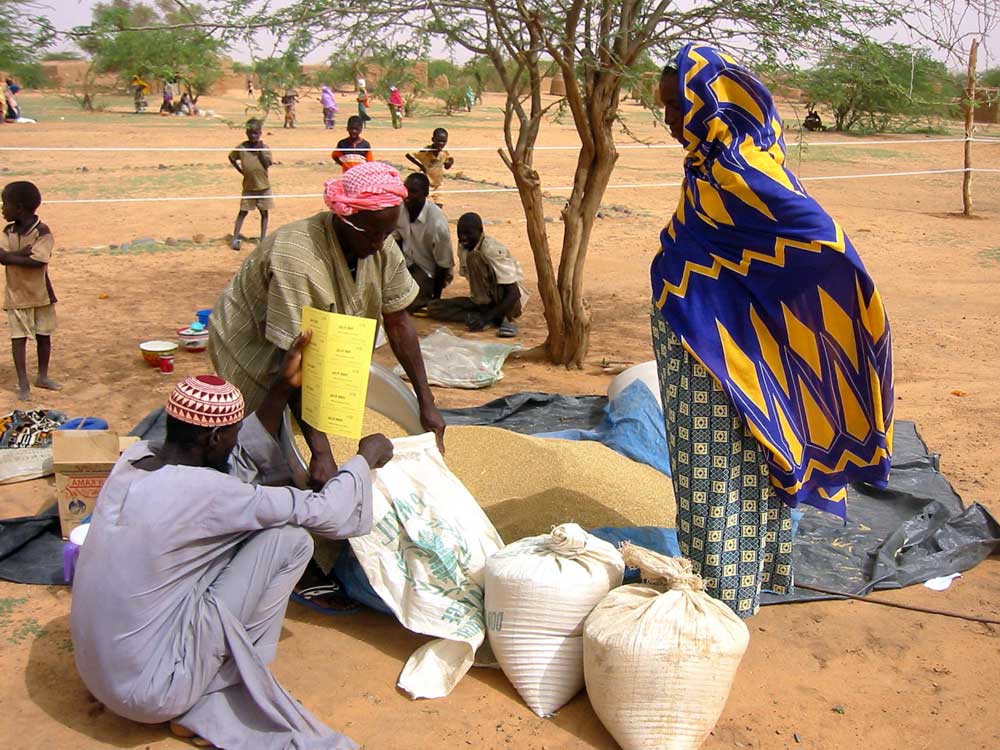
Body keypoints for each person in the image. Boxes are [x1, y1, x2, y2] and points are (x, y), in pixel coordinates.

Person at [652, 45, 893, 618]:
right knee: (741, 456)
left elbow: (816, 235)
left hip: (712, 345)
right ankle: (736, 583)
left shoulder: (739, 170)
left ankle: (719, 599)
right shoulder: (713, 162)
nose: (664, 118)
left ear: (708, 104)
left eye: (672, 106)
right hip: (708, 336)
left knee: (711, 468)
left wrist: (843, 308)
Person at [70, 335, 395, 750]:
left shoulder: (134, 463)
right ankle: (230, 685)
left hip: (99, 673)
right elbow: (327, 513)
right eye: (232, 434)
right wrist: (364, 459)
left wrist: (281, 387)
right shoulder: (208, 494)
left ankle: (208, 679)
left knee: (238, 539)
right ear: (212, 439)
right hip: (153, 692)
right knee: (290, 540)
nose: (236, 442)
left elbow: (232, 467)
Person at [208, 160, 446, 499]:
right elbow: (291, 362)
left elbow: (398, 320)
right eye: (373, 233)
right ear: (344, 218)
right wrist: (321, 451)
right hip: (254, 347)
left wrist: (427, 401)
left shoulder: (381, 246)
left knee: (314, 406)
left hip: (314, 350)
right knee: (260, 445)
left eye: (388, 233)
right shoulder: (298, 260)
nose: (380, 243)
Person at [0, 181, 60, 401]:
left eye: (5, 203)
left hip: (40, 294)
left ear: (19, 207)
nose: (2, 208)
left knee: (44, 337)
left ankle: (41, 377)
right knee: (18, 339)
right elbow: (1, 257)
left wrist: (11, 257)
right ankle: (23, 383)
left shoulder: (42, 231)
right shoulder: (9, 230)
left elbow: (38, 260)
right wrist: (22, 255)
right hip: (16, 295)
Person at [427, 212, 526, 338]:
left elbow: (513, 293)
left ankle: (495, 317)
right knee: (434, 307)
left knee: (474, 257)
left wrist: (486, 317)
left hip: (506, 303)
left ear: (480, 231)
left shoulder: (492, 249)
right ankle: (488, 317)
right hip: (481, 303)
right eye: (460, 233)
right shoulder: (463, 247)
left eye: (468, 233)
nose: (463, 237)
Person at [393, 173, 454, 311]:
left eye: (413, 191)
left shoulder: (437, 222)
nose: (407, 195)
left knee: (403, 304)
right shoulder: (399, 209)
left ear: (426, 193)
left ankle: (424, 296)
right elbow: (395, 240)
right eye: (406, 189)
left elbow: (443, 264)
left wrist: (436, 298)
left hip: (428, 272)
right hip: (407, 265)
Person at [228, 119, 273, 251]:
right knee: (243, 212)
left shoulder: (265, 148)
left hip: (263, 186)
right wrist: (241, 171)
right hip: (248, 187)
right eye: (251, 133)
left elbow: (268, 164)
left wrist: (260, 152)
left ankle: (263, 238)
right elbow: (231, 157)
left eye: (256, 133)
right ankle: (235, 238)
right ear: (247, 133)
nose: (253, 136)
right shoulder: (242, 148)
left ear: (260, 133)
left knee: (264, 213)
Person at [405, 128, 454, 194]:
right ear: (433, 139)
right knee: (427, 203)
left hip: (439, 185)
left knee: (439, 203)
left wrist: (451, 162)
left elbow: (446, 167)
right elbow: (409, 155)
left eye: (444, 141)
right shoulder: (426, 151)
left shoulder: (444, 153)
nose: (441, 143)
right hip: (427, 185)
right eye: (439, 141)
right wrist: (421, 166)